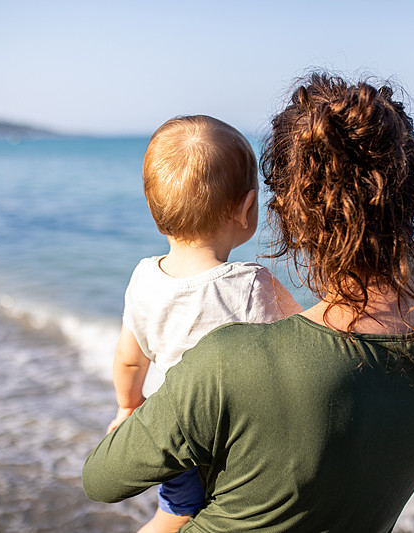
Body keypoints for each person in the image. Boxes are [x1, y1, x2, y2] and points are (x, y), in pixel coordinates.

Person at [84, 73, 414, 532]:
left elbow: (101, 480)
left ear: (289, 214)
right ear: (411, 196)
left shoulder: (227, 364)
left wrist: (128, 408)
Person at [106, 114, 302, 533]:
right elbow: (309, 344)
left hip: (168, 432)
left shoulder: (143, 278)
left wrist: (128, 406)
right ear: (247, 208)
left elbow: (128, 359)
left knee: (176, 512)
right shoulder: (251, 286)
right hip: (230, 440)